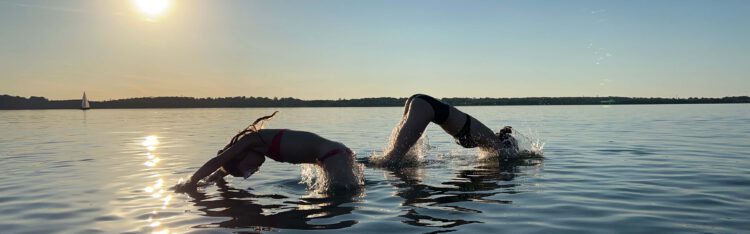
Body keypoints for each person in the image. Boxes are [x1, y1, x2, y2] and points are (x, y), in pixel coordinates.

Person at [175, 111, 360, 191]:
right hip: (336, 156)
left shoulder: (252, 140)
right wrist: (209, 181)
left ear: (240, 156)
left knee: (343, 201)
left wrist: (191, 181)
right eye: (249, 174)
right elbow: (223, 168)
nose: (254, 171)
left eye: (247, 169)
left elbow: (219, 161)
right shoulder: (256, 147)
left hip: (334, 157)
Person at [381, 94, 518, 164]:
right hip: (427, 107)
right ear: (505, 143)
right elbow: (507, 155)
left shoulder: (485, 137)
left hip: (423, 103)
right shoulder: (494, 142)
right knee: (393, 159)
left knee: (400, 157)